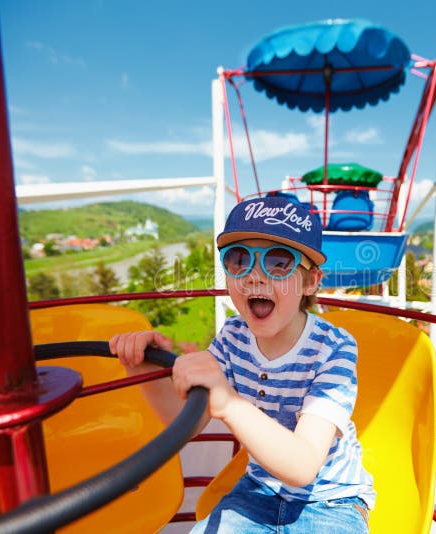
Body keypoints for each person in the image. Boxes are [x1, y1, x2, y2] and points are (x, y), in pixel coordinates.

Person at [109, 196, 375, 533]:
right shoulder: (232, 336)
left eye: (279, 262)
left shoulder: (334, 348)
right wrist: (140, 366)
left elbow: (304, 465)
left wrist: (229, 404)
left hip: (330, 500)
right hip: (259, 489)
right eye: (238, 260)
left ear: (310, 282)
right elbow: (185, 423)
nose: (254, 276)